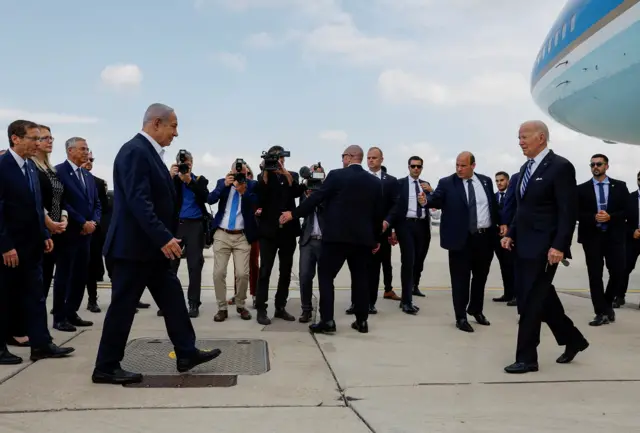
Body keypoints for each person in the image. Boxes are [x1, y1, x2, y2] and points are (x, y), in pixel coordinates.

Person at [93, 103, 221, 385]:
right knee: (123, 307)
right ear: (156, 124)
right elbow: (139, 200)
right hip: (133, 249)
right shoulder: (135, 151)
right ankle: (105, 366)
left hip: (149, 250)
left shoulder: (150, 154)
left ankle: (186, 352)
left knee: (173, 299)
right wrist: (163, 236)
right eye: (173, 125)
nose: (176, 132)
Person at [501, 120, 588, 374]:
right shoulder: (525, 168)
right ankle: (574, 340)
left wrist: (560, 245)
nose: (520, 142)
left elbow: (567, 211)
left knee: (529, 302)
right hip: (522, 246)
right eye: (519, 137)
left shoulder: (560, 167)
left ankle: (527, 358)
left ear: (541, 137)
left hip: (545, 249)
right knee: (543, 298)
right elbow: (522, 209)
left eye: (524, 137)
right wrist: (511, 233)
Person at [279, 145, 384, 334]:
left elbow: (315, 198)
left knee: (326, 277)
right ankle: (362, 321)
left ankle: (328, 321)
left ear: (349, 157)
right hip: (362, 240)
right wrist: (376, 239)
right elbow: (377, 215)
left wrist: (293, 214)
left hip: (336, 238)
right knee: (360, 278)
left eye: (343, 156)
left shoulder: (336, 176)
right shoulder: (374, 183)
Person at [0, 120, 74, 365]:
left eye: (40, 138)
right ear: (15, 138)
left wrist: (44, 234)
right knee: (5, 297)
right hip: (10, 248)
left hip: (32, 246)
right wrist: (5, 245)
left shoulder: (31, 168)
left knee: (36, 296)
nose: (38, 143)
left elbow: (35, 206)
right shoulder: (2, 166)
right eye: (33, 138)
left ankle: (41, 344)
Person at [426, 152, 498, 332]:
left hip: (484, 238)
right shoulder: (447, 183)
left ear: (473, 166)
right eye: (457, 165)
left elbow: (492, 206)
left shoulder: (486, 181)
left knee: (480, 277)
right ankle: (460, 316)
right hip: (460, 240)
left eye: (463, 166)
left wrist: (501, 224)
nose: (459, 169)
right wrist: (425, 200)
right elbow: (436, 199)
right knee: (460, 280)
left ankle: (476, 309)